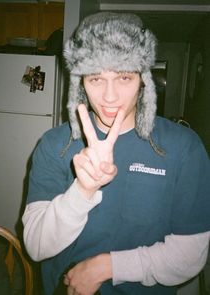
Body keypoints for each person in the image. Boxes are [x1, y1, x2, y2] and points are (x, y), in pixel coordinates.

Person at [22, 12, 210, 295]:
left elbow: (190, 255)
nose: (109, 97)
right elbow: (36, 247)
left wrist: (107, 266)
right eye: (96, 79)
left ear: (143, 79)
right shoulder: (53, 144)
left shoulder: (183, 147)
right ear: (81, 82)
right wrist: (82, 190)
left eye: (123, 77)